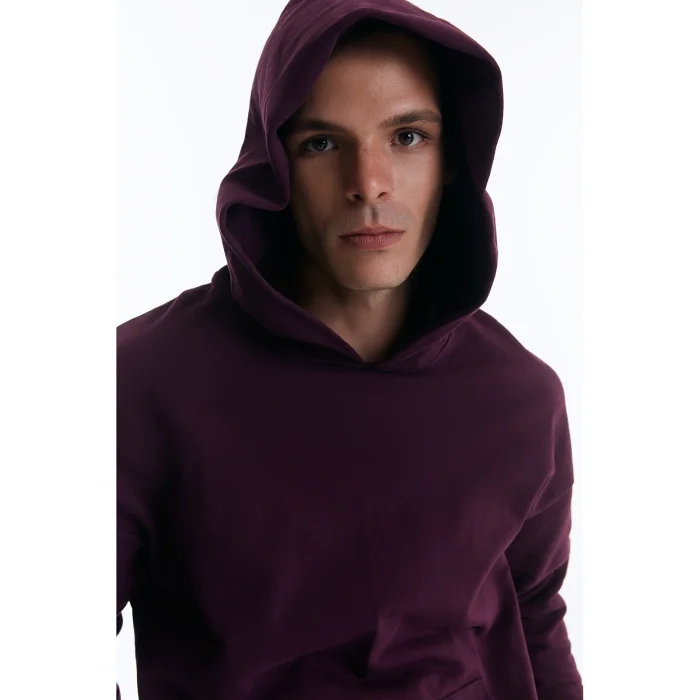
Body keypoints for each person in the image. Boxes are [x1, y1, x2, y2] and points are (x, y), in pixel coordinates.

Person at [117, 0, 583, 698]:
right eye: (321, 144)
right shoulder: (142, 382)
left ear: (452, 159)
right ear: (274, 166)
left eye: (407, 137)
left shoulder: (522, 397)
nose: (368, 182)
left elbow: (536, 614)